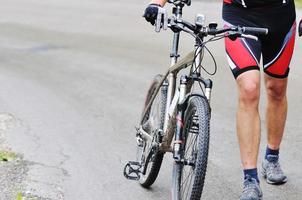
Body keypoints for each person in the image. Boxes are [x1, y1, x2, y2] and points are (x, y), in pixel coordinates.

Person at [143, 0, 296, 199]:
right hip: (239, 14)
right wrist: (158, 2)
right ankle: (250, 180)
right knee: (249, 89)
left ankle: (272, 157)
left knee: (276, 89)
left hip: (281, 18)